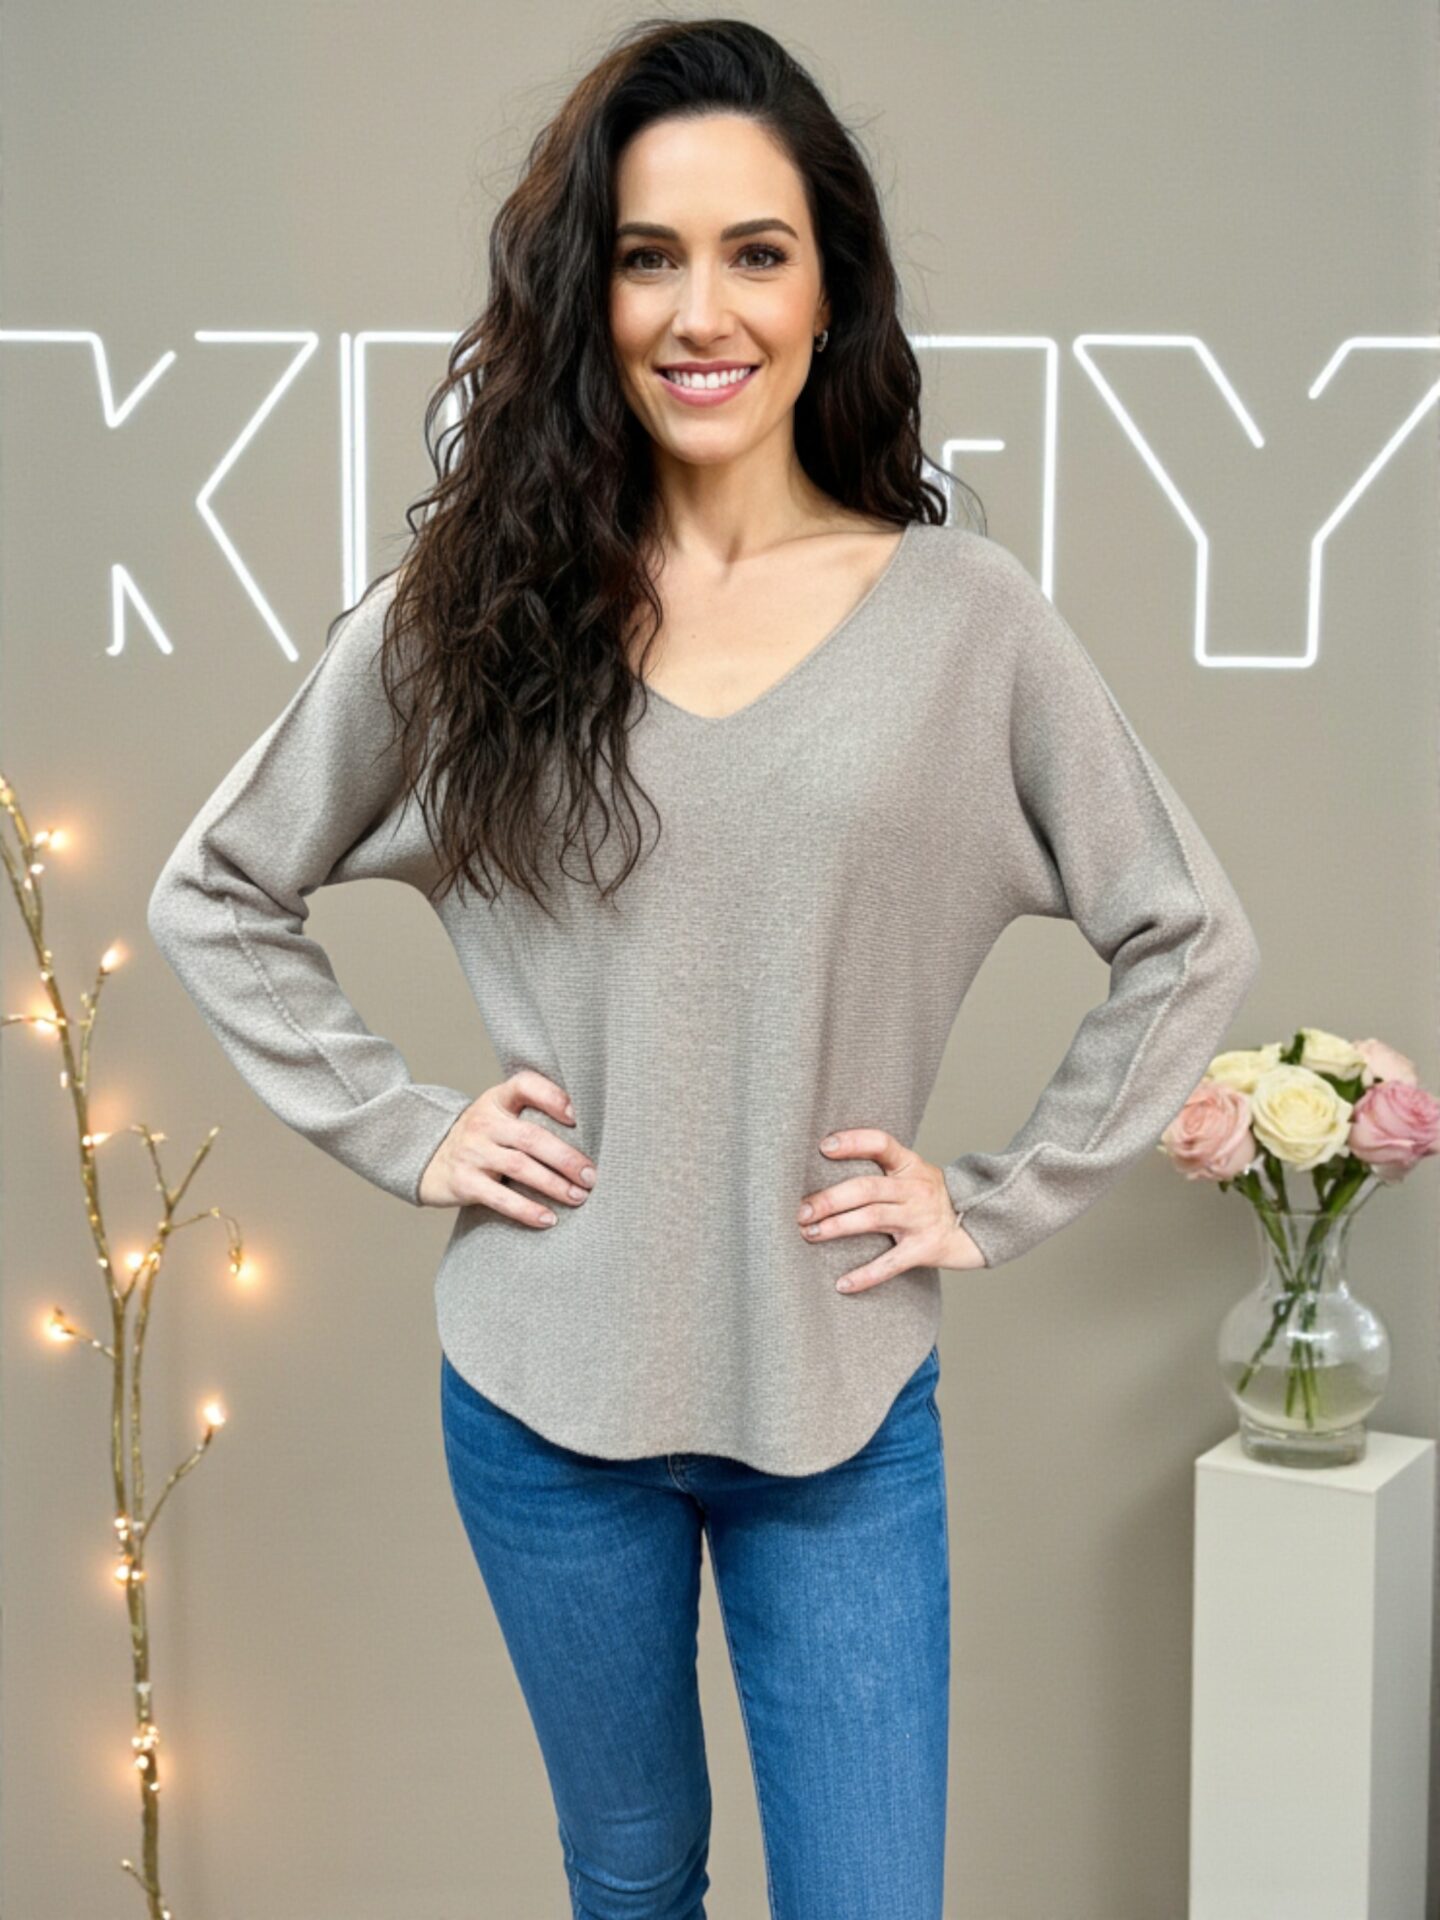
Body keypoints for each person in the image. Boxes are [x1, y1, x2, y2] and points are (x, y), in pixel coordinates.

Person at [146, 18, 1260, 1919]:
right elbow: (218, 888)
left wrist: (994, 1197)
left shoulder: (966, 620)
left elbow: (1185, 930)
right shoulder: (473, 615)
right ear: (590, 298)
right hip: (539, 1401)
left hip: (839, 1402)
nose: (700, 310)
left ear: (831, 287)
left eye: (756, 251)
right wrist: (410, 1129)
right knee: (635, 1881)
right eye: (647, 257)